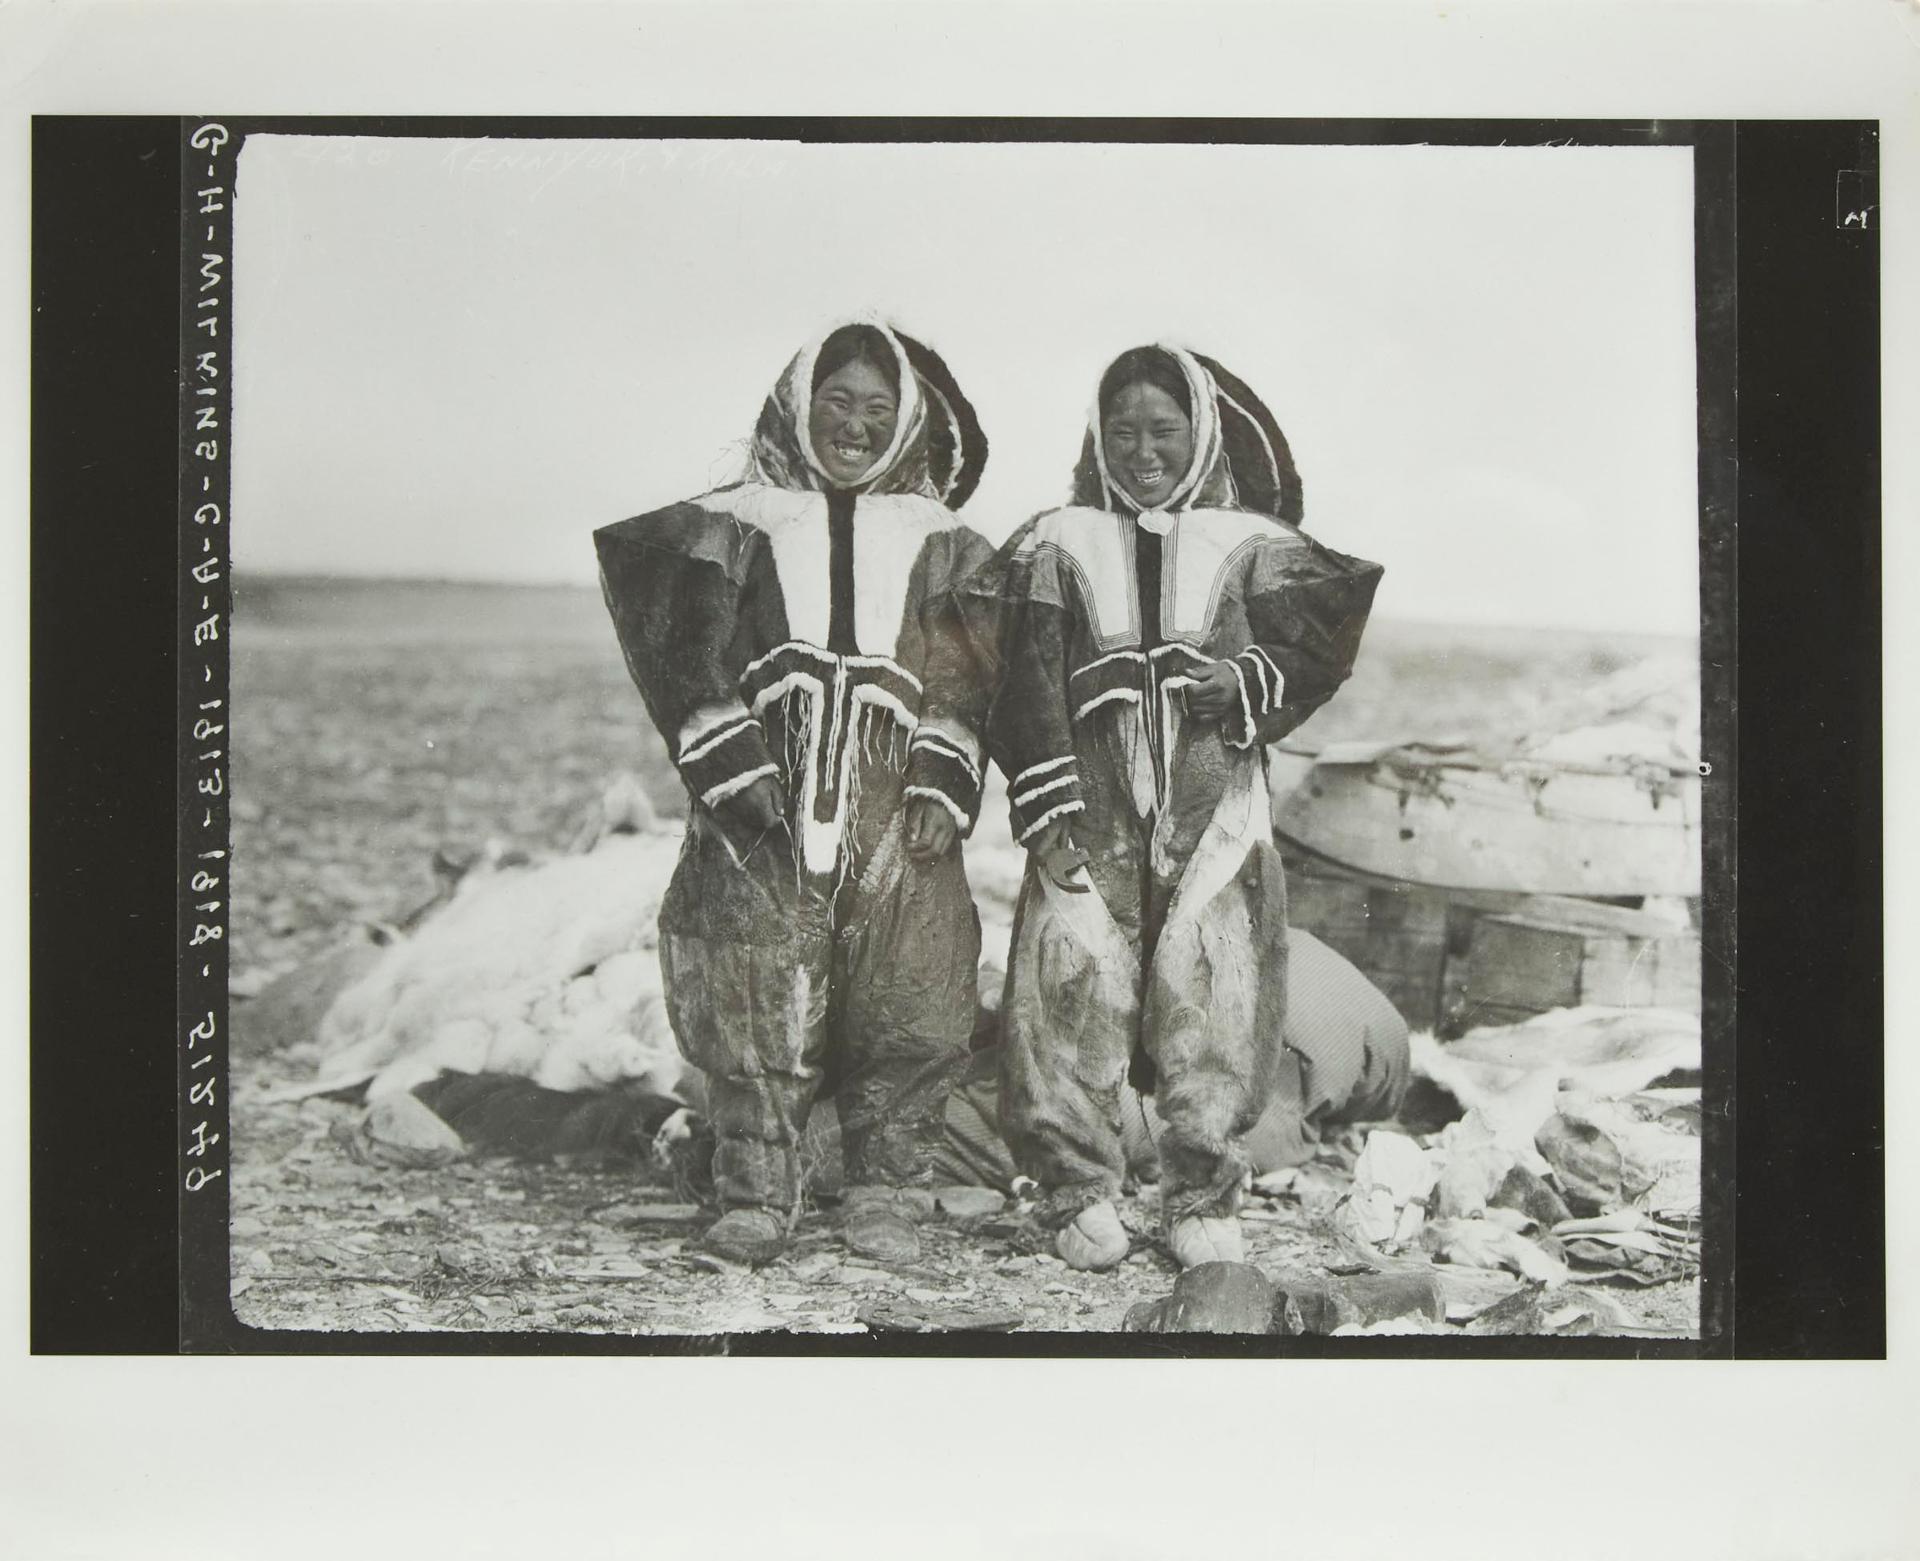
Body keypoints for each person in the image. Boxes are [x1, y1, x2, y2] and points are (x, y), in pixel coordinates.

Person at [965, 343, 1384, 1272]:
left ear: (1201, 433)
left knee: (1221, 981)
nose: (1142, 449)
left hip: (1217, 811)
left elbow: (1319, 643)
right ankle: (1073, 1190)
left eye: (1164, 429)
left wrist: (1243, 679)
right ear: (1095, 437)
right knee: (1070, 977)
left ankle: (1200, 1191)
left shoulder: (1249, 543)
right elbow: (1012, 676)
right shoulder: (1053, 541)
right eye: (1122, 430)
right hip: (1089, 807)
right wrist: (1046, 811)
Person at [593, 320, 995, 1267]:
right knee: (750, 979)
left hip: (895, 798)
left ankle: (884, 1193)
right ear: (798, 405)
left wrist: (946, 770)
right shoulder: (735, 522)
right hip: (765, 793)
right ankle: (755, 1194)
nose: (854, 425)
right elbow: (677, 647)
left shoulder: (945, 544)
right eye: (837, 401)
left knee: (912, 989)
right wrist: (725, 761)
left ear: (906, 427)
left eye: (877, 410)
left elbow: (973, 669)